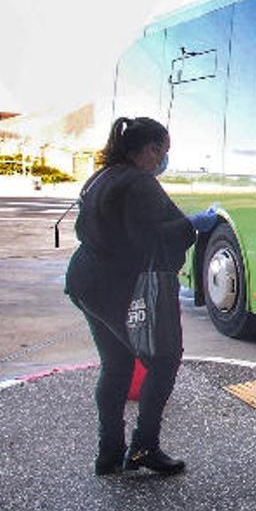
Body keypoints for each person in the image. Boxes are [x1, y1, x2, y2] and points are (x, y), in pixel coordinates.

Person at [64, 116, 218, 476]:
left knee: (116, 363)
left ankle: (109, 453)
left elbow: (86, 228)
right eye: (163, 151)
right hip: (117, 285)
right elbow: (149, 239)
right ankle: (143, 447)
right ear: (149, 149)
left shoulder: (102, 176)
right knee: (164, 358)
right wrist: (192, 224)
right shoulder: (138, 183)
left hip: (85, 280)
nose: (163, 159)